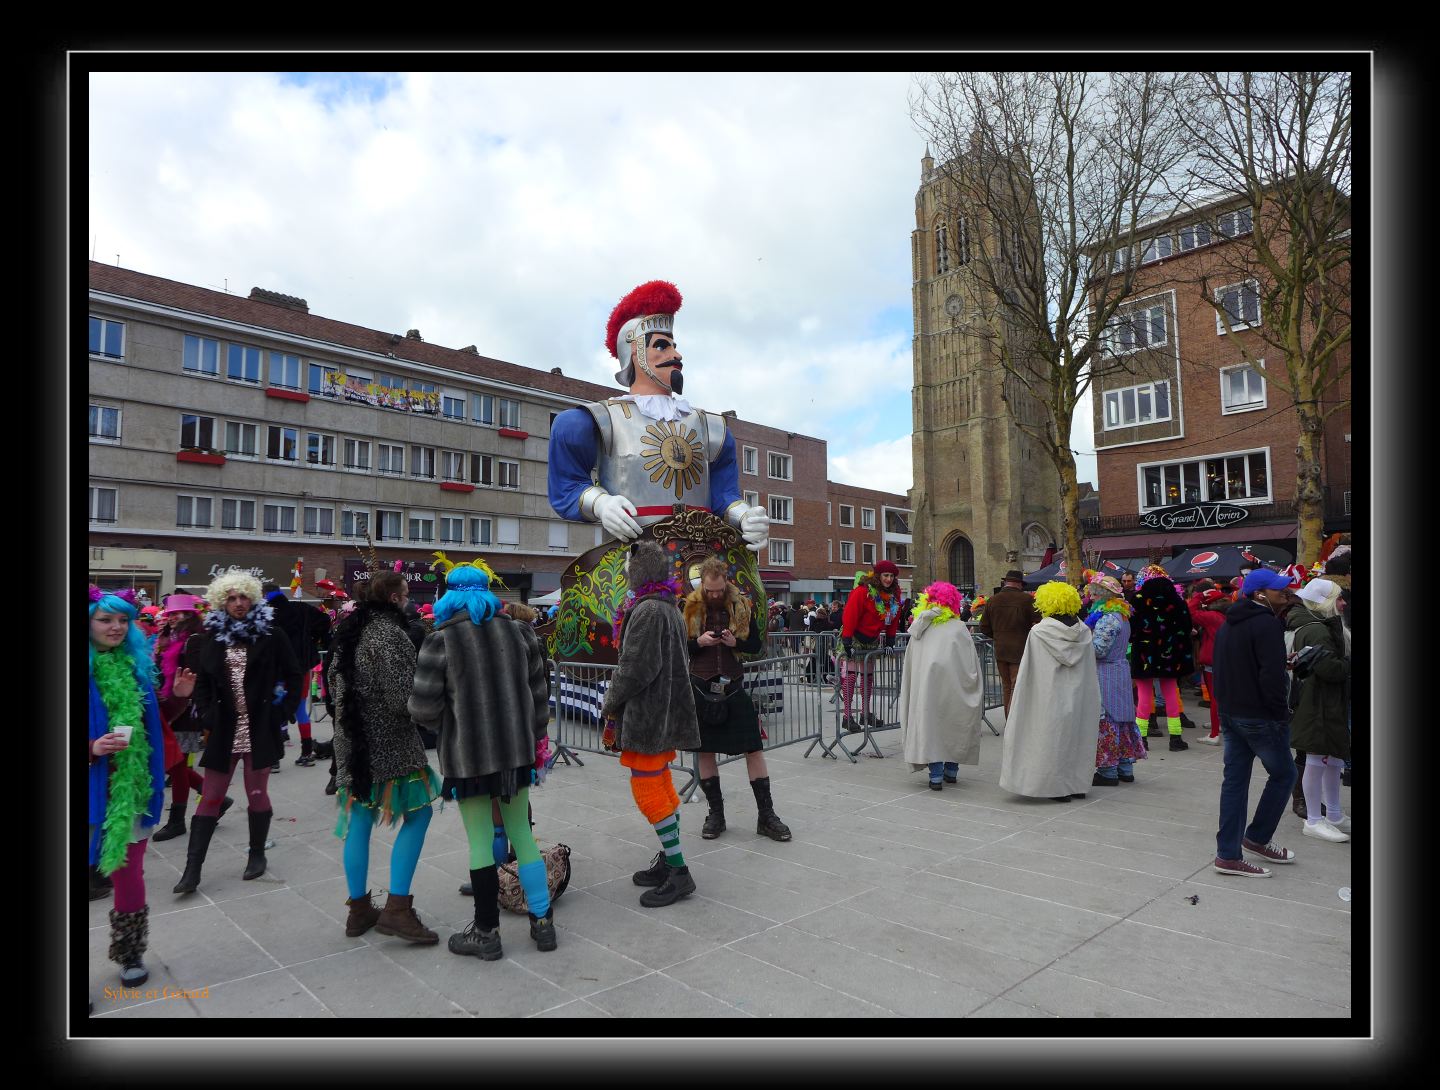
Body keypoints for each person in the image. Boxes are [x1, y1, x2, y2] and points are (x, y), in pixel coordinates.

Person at [409, 555, 556, 960]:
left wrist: (451, 726)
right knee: (522, 835)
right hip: (516, 754)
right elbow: (540, 699)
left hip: (469, 756)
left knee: (478, 841)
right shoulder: (520, 634)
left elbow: (422, 708)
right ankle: (542, 922)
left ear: (448, 597)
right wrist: (532, 737)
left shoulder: (440, 640)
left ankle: (487, 932)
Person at [327, 571, 444, 943]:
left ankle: (359, 910)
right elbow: (402, 698)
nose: (409, 600)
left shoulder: (349, 632)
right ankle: (396, 909)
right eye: (407, 594)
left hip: (351, 743)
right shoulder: (389, 636)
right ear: (394, 599)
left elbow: (333, 686)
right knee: (420, 813)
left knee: (359, 819)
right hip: (389, 746)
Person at [88, 586, 195, 986]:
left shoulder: (134, 667)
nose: (115, 627)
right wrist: (90, 748)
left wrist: (178, 699)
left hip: (130, 791)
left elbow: (154, 725)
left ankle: (131, 952)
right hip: (86, 790)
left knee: (129, 873)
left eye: (122, 620)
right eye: (105, 619)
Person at [172, 570, 303, 896]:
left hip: (259, 726)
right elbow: (202, 682)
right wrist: (209, 715)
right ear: (221, 601)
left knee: (256, 792)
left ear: (253, 598)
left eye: (243, 597)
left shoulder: (271, 633)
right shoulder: (211, 637)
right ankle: (192, 870)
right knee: (211, 795)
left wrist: (282, 712)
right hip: (224, 727)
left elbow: (294, 673)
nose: (238, 603)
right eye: (231, 598)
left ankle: (256, 854)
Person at [600, 541, 702, 908]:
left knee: (647, 788)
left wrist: (610, 702)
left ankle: (678, 870)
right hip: (665, 711)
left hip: (648, 715)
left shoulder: (647, 612)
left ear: (638, 572)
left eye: (629, 567)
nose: (625, 573)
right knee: (660, 781)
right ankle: (668, 857)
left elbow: (636, 669)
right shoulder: (668, 608)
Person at [684, 556, 791, 842]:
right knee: (704, 751)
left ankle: (766, 816)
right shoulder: (690, 605)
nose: (716, 594)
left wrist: (736, 643)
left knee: (754, 749)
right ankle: (716, 815)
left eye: (720, 589)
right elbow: (680, 645)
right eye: (710, 590)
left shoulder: (741, 604)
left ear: (726, 581)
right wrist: (699, 642)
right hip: (701, 687)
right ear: (703, 583)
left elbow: (756, 646)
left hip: (733, 686)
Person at [1209, 569, 1300, 876]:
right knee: (1285, 775)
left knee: (1234, 783)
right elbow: (1270, 678)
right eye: (1279, 590)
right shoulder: (1266, 625)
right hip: (1259, 717)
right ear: (1260, 594)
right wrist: (1279, 714)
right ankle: (1257, 837)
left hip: (1232, 713)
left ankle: (1229, 855)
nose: (1285, 594)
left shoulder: (1230, 623)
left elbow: (1229, 667)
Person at [998, 582, 1101, 802]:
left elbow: (1030, 670)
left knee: (1050, 737)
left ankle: (1054, 787)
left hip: (1049, 694)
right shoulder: (1083, 631)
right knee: (1077, 736)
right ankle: (1076, 784)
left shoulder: (1040, 632)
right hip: (1080, 694)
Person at [150, 593, 233, 842]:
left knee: (176, 765)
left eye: (177, 614)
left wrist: (193, 706)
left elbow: (199, 678)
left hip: (188, 711)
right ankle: (217, 800)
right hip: (170, 706)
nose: (172, 618)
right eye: (170, 614)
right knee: (174, 764)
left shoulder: (195, 639)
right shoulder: (171, 637)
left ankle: (177, 820)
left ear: (190, 615)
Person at [898, 581, 984, 790]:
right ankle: (951, 770)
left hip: (927, 689)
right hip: (954, 686)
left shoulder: (919, 627)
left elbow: (912, 665)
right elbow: (970, 662)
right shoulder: (958, 627)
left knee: (931, 726)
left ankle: (935, 775)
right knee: (953, 722)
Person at [1287, 579, 1352, 843]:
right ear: (1325, 602)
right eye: (1338, 598)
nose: (1343, 603)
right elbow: (1331, 670)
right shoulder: (1316, 630)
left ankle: (1333, 813)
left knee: (1331, 758)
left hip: (1324, 702)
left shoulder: (1319, 626)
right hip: (1318, 704)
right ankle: (1314, 819)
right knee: (1317, 759)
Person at [1084, 574, 1146, 786]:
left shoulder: (1108, 618)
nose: (1090, 597)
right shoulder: (1123, 615)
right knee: (1123, 718)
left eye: (1093, 593)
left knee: (1107, 719)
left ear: (1103, 595)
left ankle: (1108, 771)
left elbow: (1098, 650)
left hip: (1106, 672)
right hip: (1120, 670)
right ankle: (1125, 767)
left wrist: (1079, 647)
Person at [262, 582, 332, 768]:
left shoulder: (267, 615)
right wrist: (311, 640)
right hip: (300, 667)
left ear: (265, 595)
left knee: (274, 707)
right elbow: (325, 621)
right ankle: (306, 753)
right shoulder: (301, 608)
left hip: (277, 670)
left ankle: (274, 759)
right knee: (301, 708)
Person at [1129, 564, 1195, 752]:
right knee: (1171, 693)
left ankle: (1141, 738)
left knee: (1143, 695)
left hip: (1144, 654)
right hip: (1171, 654)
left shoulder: (1138, 599)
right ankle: (1175, 737)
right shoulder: (1176, 600)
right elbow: (1186, 626)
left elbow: (1131, 629)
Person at [838, 560, 904, 731]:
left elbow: (894, 617)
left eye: (891, 576)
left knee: (868, 677)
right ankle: (847, 716)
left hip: (872, 638)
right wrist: (846, 639)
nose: (889, 579)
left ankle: (865, 714)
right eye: (885, 575)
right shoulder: (863, 592)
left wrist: (890, 639)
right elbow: (851, 614)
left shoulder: (894, 595)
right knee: (851, 676)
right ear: (878, 576)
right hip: (853, 636)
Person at [978, 569, 1040, 719]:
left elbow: (983, 627)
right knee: (1015, 687)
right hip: (1020, 650)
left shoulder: (993, 600)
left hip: (1000, 650)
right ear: (1019, 584)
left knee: (1007, 687)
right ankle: (1013, 724)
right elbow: (1039, 623)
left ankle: (1009, 721)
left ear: (1006, 582)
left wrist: (998, 637)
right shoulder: (1027, 600)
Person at [1187, 587, 1228, 746]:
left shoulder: (1211, 616)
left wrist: (1198, 597)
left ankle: (1214, 734)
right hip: (1225, 661)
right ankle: (1219, 724)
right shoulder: (1226, 616)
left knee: (1214, 698)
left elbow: (1189, 611)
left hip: (1213, 662)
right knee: (1220, 698)